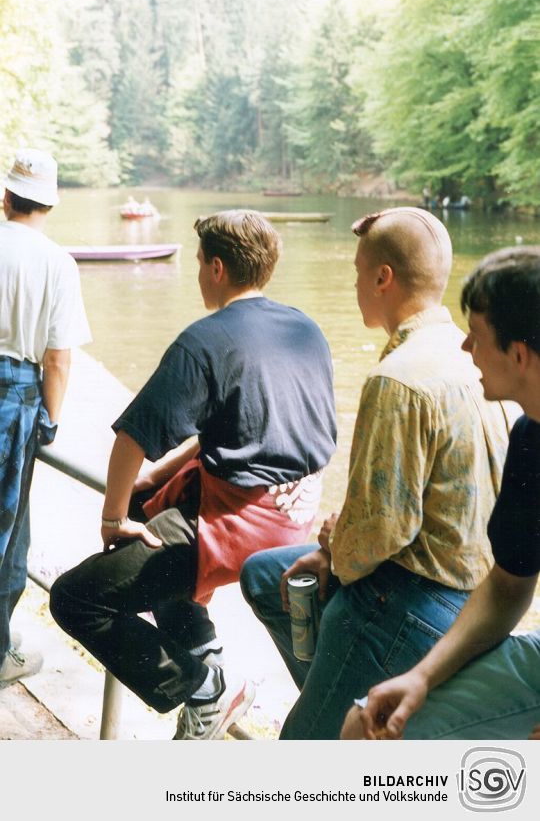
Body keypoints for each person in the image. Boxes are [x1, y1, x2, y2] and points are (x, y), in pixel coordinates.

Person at [50, 209, 336, 739]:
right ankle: (205, 651)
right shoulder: (306, 329)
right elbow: (232, 433)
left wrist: (113, 516)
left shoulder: (204, 340)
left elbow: (132, 434)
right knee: (149, 507)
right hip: (296, 516)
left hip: (235, 525)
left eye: (201, 262)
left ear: (218, 269)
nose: (199, 272)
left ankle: (204, 688)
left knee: (74, 598)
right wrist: (153, 482)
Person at [240, 206, 514, 739]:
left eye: (358, 272)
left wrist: (335, 546)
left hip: (407, 599)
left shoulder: (397, 378)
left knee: (301, 748)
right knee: (264, 573)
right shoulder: (477, 360)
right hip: (478, 592)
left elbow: (383, 530)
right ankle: (335, 694)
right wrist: (340, 541)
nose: (356, 285)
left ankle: (334, 719)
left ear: (383, 278)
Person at [341, 246, 540, 741]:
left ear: (518, 354)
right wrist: (421, 677)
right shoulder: (530, 439)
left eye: (476, 336)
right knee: (363, 728)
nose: (465, 347)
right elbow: (508, 585)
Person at [0, 148, 91, 687]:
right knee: (8, 530)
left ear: (5, 197)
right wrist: (50, 419)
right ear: (50, 206)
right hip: (16, 394)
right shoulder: (57, 263)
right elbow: (58, 358)